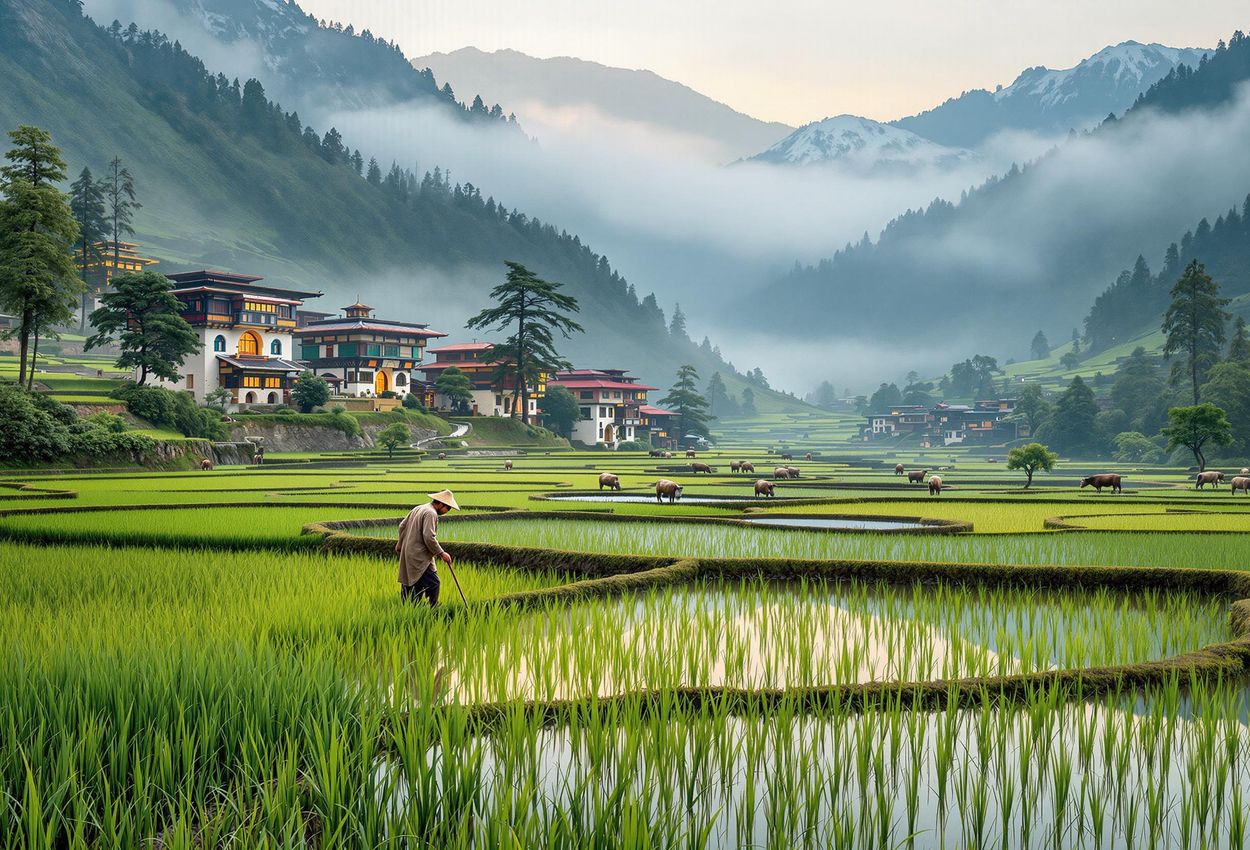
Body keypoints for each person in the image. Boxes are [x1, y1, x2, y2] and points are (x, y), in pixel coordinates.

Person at [395, 489, 458, 605]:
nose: (447, 511)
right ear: (440, 504)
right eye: (447, 508)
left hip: (410, 552)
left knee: (412, 581)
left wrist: (400, 544)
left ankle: (411, 608)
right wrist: (442, 553)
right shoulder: (431, 513)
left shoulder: (419, 508)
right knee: (433, 583)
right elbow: (428, 536)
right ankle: (432, 608)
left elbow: (402, 526)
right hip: (420, 555)